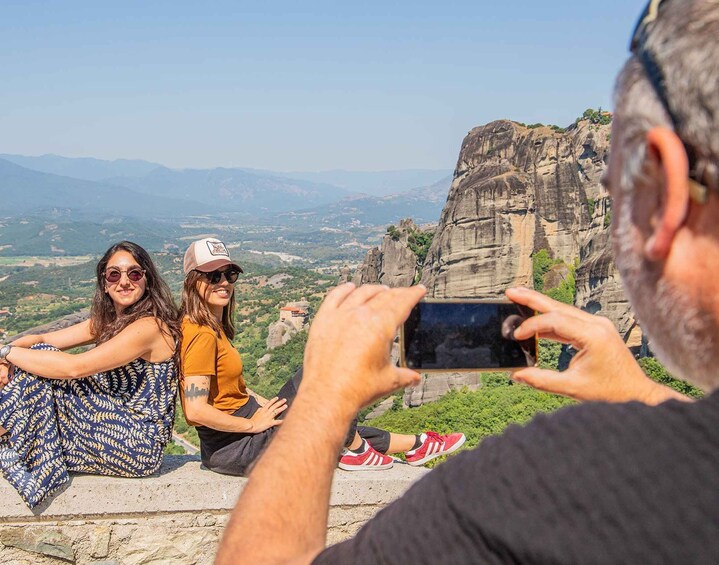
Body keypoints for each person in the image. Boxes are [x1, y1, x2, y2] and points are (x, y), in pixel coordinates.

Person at [218, 1, 719, 562]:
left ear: (668, 188)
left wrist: (319, 402)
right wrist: (645, 394)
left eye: (616, 182)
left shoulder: (540, 482)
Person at [0, 241, 182, 508]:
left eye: (134, 273)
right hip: (109, 428)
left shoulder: (150, 327)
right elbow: (43, 339)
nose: (124, 281)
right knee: (39, 355)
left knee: (41, 365)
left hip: (136, 444)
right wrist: (4, 351)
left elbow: (73, 368)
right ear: (104, 283)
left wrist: (5, 354)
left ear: (147, 279)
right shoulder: (109, 321)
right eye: (114, 275)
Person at [179, 237, 465, 476]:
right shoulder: (200, 333)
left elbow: (230, 388)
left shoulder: (211, 328)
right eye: (213, 276)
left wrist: (264, 404)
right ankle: (356, 450)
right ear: (193, 281)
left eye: (229, 275)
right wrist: (253, 424)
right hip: (238, 448)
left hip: (242, 438)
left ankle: (416, 445)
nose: (224, 283)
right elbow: (195, 411)